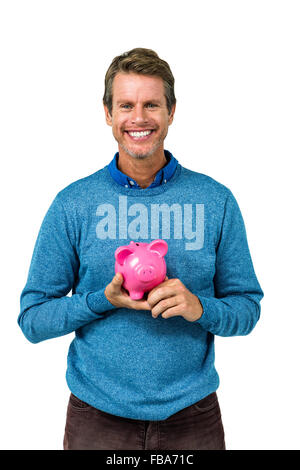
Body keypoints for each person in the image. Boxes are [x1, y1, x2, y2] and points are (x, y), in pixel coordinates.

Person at [18, 48, 264, 450]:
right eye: (126, 105)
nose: (139, 118)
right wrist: (102, 300)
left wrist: (199, 307)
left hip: (192, 417)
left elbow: (247, 309)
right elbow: (33, 320)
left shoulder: (215, 200)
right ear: (108, 113)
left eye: (151, 104)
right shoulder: (73, 204)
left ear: (171, 112)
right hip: (97, 418)